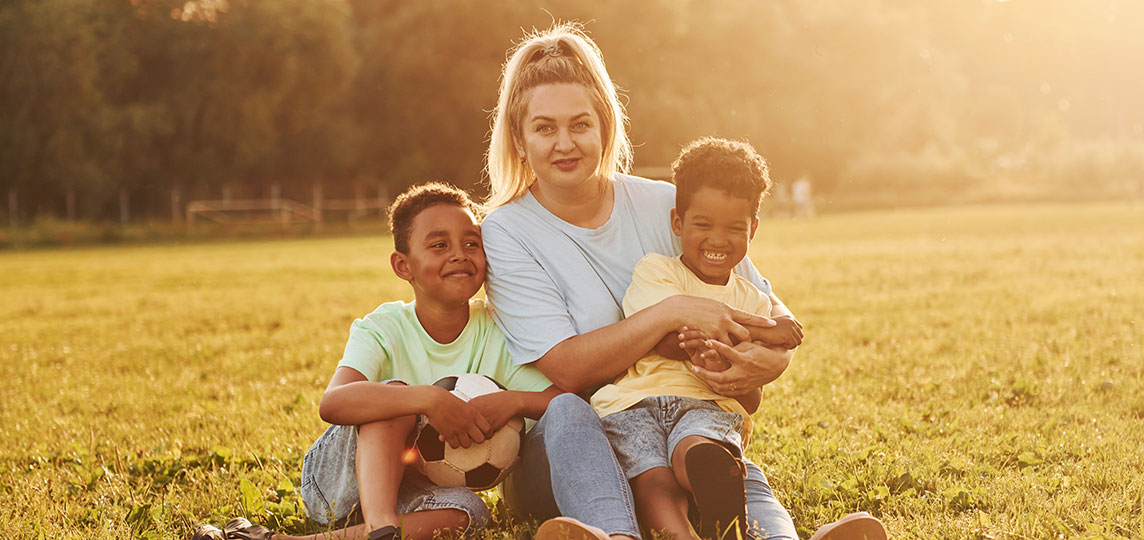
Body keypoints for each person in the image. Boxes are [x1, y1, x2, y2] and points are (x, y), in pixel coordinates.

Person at [480, 22, 888, 540]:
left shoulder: (662, 203)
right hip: (570, 447)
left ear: (605, 126)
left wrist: (769, 364)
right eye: (545, 128)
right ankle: (612, 534)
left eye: (580, 124)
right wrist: (671, 313)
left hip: (676, 419)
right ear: (518, 137)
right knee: (570, 413)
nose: (565, 143)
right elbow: (568, 369)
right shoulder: (506, 231)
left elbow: (761, 306)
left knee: (715, 460)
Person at [193, 183, 562, 540]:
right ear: (403, 267)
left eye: (471, 243)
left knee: (470, 513)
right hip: (338, 483)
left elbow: (558, 401)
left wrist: (513, 400)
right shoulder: (384, 327)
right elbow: (334, 402)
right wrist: (428, 399)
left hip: (414, 488)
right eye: (439, 245)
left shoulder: (497, 330)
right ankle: (381, 525)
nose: (459, 254)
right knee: (396, 397)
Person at [590, 137, 802, 540]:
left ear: (753, 230)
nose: (717, 240)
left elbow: (749, 388)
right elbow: (665, 338)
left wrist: (734, 348)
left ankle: (718, 492)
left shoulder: (752, 297)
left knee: (699, 447)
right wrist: (766, 331)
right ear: (677, 223)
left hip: (708, 403)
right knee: (654, 481)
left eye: (734, 228)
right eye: (702, 225)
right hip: (637, 403)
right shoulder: (658, 271)